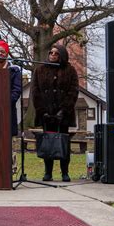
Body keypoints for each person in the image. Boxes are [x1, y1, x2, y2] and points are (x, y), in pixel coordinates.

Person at [31, 44, 79, 182]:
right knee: (48, 143)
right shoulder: (40, 70)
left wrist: (64, 110)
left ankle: (65, 172)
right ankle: (48, 172)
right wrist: (42, 111)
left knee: (63, 143)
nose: (52, 55)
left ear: (62, 55)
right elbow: (35, 92)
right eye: (51, 52)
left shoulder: (70, 70)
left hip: (63, 114)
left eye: (56, 53)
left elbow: (73, 91)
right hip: (46, 114)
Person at [0, 40, 22, 136]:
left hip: (8, 109)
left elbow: (17, 90)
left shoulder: (14, 70)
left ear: (7, 53)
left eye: (3, 51)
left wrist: (6, 101)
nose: (0, 53)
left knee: (7, 137)